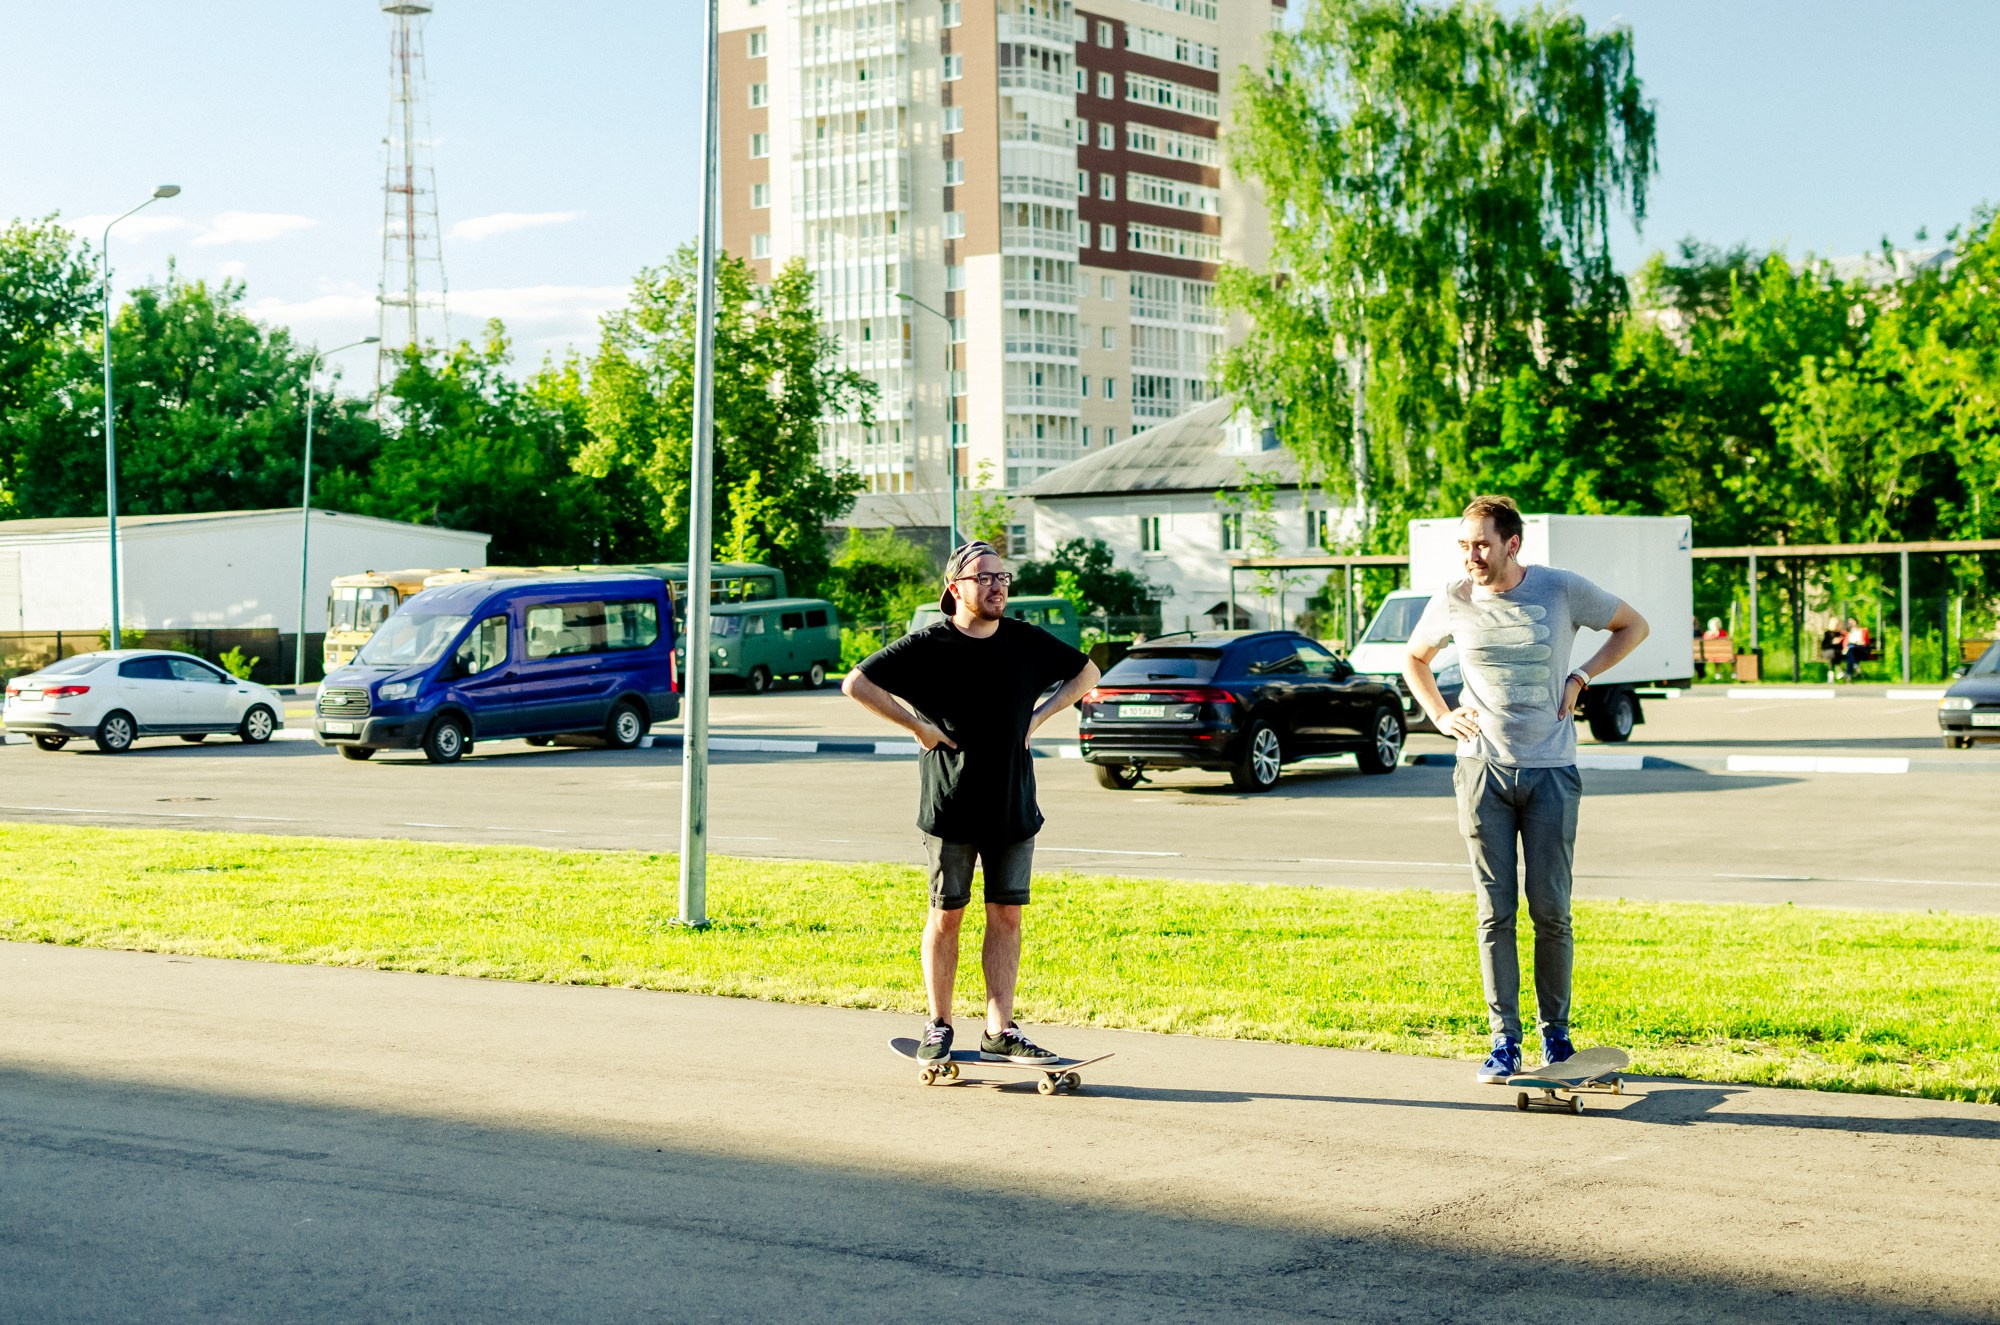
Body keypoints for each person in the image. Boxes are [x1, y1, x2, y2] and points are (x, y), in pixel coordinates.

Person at [1402, 496, 1650, 1083]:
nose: (1473, 557)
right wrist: (1440, 715)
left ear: (1514, 544)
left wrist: (1582, 675)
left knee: (1552, 913)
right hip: (1481, 771)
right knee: (1495, 914)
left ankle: (1555, 1038)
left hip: (1550, 773)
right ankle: (1503, 1041)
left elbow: (1632, 626)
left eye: (1483, 544)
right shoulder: (1453, 598)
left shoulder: (1560, 589)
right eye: (1464, 545)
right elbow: (1415, 658)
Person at [842, 540, 1101, 1068]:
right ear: (955, 587)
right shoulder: (928, 644)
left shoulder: (1026, 642)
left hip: (1012, 803)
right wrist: (917, 726)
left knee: (1006, 914)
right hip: (951, 803)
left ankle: (1000, 1029)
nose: (997, 586)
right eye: (984, 578)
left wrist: (1040, 717)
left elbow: (1088, 673)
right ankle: (938, 1026)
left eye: (1003, 578)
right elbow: (857, 683)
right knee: (947, 915)